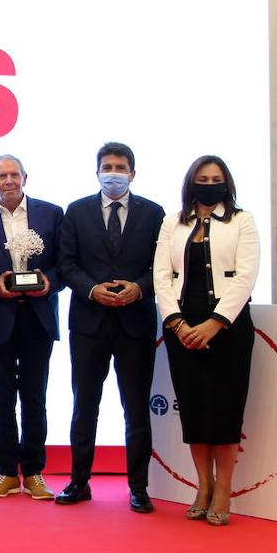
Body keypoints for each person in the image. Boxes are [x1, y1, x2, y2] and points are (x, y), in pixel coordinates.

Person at [56, 142, 165, 513]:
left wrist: (139, 288)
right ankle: (78, 481)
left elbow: (161, 267)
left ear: (133, 173)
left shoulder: (154, 213)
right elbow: (66, 264)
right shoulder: (77, 211)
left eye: (120, 167)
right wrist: (91, 289)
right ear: (97, 171)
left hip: (135, 322)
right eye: (107, 166)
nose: (113, 173)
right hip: (89, 322)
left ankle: (139, 487)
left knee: (135, 408)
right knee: (84, 405)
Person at [154, 156, 259, 527]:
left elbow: (246, 276)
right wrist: (177, 324)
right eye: (203, 178)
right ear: (191, 182)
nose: (209, 184)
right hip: (182, 329)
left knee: (225, 411)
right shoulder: (173, 222)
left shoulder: (242, 220)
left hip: (227, 329)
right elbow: (161, 277)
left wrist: (215, 323)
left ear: (226, 183)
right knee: (196, 411)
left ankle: (224, 489)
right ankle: (204, 485)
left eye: (216, 179)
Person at [0, 155, 64, 500]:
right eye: (2, 176)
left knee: (34, 397)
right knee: (0, 399)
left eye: (14, 174)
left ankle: (35, 472)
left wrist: (49, 281)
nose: (9, 180)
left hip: (38, 317)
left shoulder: (51, 214)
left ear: (25, 177)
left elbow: (64, 263)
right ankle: (6, 473)